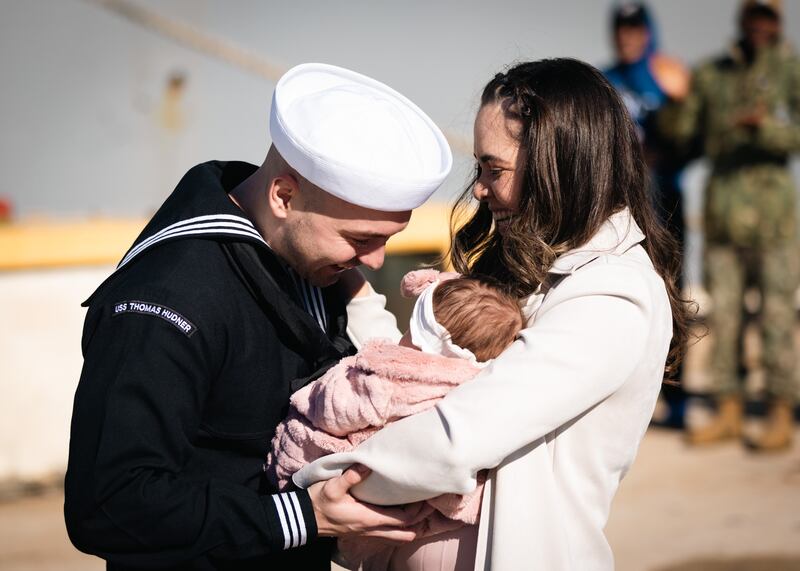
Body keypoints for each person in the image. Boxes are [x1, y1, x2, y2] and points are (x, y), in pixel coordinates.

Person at [294, 58, 691, 571]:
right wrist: (360, 298)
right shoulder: (545, 270)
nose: (479, 188)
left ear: (559, 164)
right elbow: (421, 381)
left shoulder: (611, 294)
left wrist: (308, 493)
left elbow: (459, 437)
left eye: (493, 168)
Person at [64, 63, 453, 570]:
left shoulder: (310, 265)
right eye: (361, 238)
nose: (376, 261)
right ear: (284, 196)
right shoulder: (166, 300)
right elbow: (108, 504)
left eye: (386, 239)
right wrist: (302, 518)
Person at [266, 270, 525, 570]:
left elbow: (337, 411)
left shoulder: (386, 377)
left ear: (418, 338)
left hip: (324, 474)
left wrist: (321, 388)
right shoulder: (470, 388)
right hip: (415, 515)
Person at [659, 0, 800, 451]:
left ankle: (779, 410)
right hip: (723, 217)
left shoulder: (790, 70)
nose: (760, 25)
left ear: (777, 22)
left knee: (777, 319)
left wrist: (766, 131)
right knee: (728, 319)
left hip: (775, 221)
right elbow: (685, 136)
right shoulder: (712, 74)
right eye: (754, 16)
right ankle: (729, 411)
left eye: (768, 17)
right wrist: (675, 100)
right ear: (743, 19)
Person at [604, 2, 693, 427]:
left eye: (635, 29)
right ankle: (622, 395)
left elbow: (695, 140)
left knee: (672, 300)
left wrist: (676, 105)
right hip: (618, 208)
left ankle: (675, 398)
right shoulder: (604, 82)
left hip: (665, 205)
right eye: (622, 29)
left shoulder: (668, 78)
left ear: (648, 32)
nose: (628, 37)